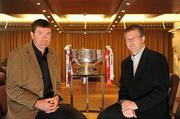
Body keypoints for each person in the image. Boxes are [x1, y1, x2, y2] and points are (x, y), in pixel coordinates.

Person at [6, 19, 87, 119]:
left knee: (79, 117)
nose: (44, 38)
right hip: (28, 109)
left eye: (48, 34)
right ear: (32, 35)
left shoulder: (53, 55)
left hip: (52, 105)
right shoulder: (17, 55)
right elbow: (12, 89)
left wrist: (57, 97)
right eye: (40, 33)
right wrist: (37, 103)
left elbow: (57, 84)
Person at [97, 24, 169, 119]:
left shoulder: (158, 59)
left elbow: (160, 91)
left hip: (151, 108)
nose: (131, 43)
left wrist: (135, 105)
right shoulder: (125, 63)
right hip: (129, 105)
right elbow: (123, 89)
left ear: (143, 39)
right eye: (128, 40)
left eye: (133, 39)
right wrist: (124, 103)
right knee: (103, 116)